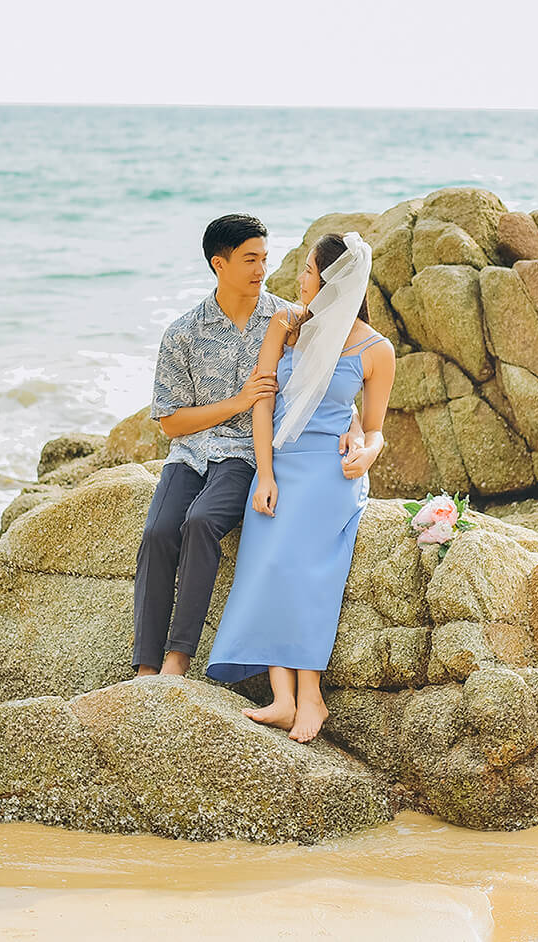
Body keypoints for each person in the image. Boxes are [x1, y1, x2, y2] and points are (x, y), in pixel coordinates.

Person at [132, 215, 366, 679]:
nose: (262, 269)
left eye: (264, 257)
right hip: (191, 454)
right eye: (250, 260)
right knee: (158, 533)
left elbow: (327, 380)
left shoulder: (289, 320)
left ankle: (178, 659)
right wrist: (237, 401)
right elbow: (171, 423)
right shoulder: (183, 333)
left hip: (246, 454)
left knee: (200, 523)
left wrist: (355, 426)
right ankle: (145, 664)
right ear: (219, 264)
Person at [204, 230, 392, 742]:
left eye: (308, 271)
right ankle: (282, 696)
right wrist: (264, 473)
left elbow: (374, 428)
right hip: (281, 465)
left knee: (308, 570)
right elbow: (262, 402)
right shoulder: (285, 326)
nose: (300, 279)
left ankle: (310, 696)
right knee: (269, 564)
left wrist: (368, 450)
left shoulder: (378, 350)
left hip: (331, 474)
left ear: (331, 281)